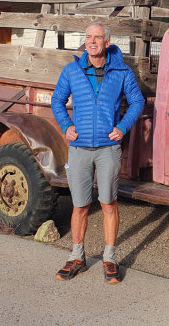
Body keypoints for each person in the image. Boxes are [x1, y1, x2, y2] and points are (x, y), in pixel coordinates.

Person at [51, 22, 144, 284]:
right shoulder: (72, 70)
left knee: (108, 203)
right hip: (79, 148)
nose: (92, 42)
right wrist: (67, 125)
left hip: (108, 149)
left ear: (107, 41)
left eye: (97, 37)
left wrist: (123, 127)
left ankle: (109, 258)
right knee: (80, 205)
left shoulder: (122, 71)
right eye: (88, 37)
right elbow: (57, 100)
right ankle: (77, 257)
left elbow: (137, 100)